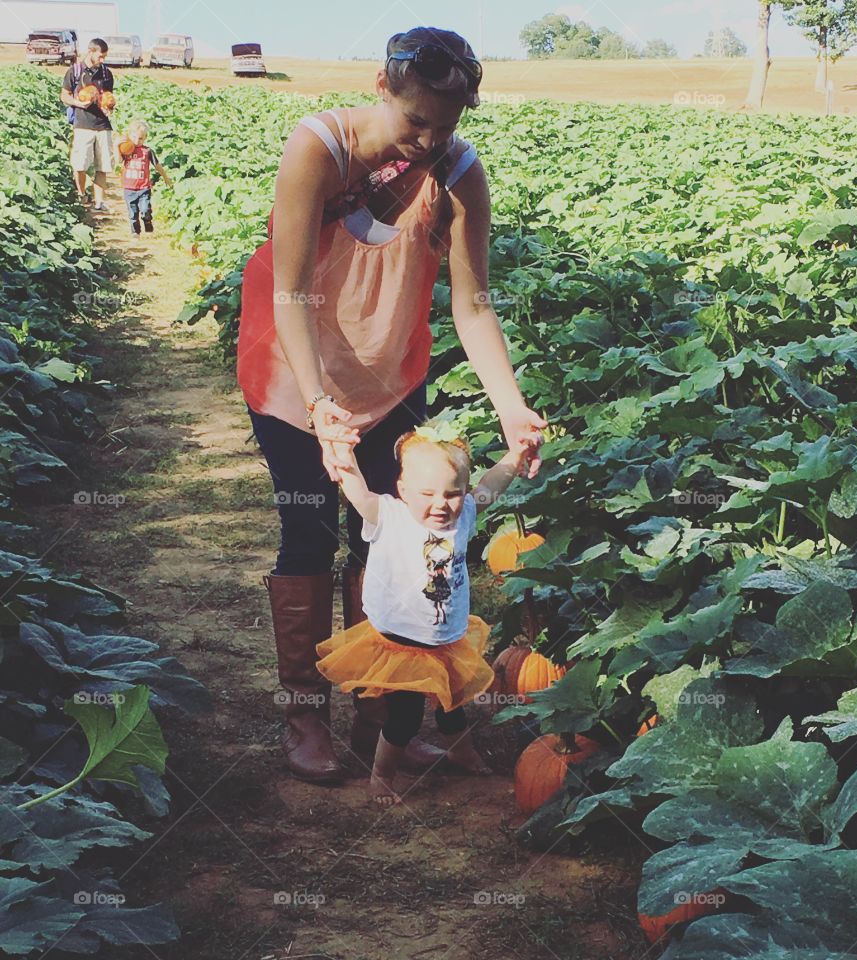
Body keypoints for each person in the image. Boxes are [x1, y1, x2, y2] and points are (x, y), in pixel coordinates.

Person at [236, 26, 547, 786]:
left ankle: (384, 711)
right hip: (292, 373)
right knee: (308, 537)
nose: (429, 139)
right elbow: (292, 290)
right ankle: (304, 709)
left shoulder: (460, 172)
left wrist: (512, 408)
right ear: (383, 85)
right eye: (417, 121)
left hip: (393, 381)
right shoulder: (320, 148)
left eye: (447, 124)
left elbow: (472, 305)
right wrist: (318, 405)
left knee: (391, 543)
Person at [316, 423, 528, 804]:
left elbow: (491, 486)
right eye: (427, 494)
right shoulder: (389, 517)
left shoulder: (463, 516)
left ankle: (460, 751)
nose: (441, 504)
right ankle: (381, 776)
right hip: (403, 641)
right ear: (402, 490)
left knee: (452, 701)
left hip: (446, 635)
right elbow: (358, 494)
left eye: (452, 493)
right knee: (405, 718)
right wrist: (343, 458)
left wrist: (515, 456)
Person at [60, 38, 115, 212]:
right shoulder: (75, 71)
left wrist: (108, 107)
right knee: (80, 164)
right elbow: (64, 95)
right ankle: (82, 195)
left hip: (102, 125)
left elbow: (107, 97)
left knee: (103, 165)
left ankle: (99, 202)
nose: (103, 60)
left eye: (105, 57)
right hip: (82, 124)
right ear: (91, 51)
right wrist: (77, 103)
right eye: (100, 56)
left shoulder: (106, 74)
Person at [114, 120, 172, 236]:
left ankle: (148, 221)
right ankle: (135, 232)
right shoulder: (126, 149)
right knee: (132, 213)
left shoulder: (147, 151)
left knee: (145, 210)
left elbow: (157, 165)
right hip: (129, 188)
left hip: (144, 187)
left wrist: (166, 177)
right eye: (134, 137)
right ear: (129, 135)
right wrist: (116, 146)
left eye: (140, 138)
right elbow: (118, 160)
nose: (136, 141)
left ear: (145, 137)